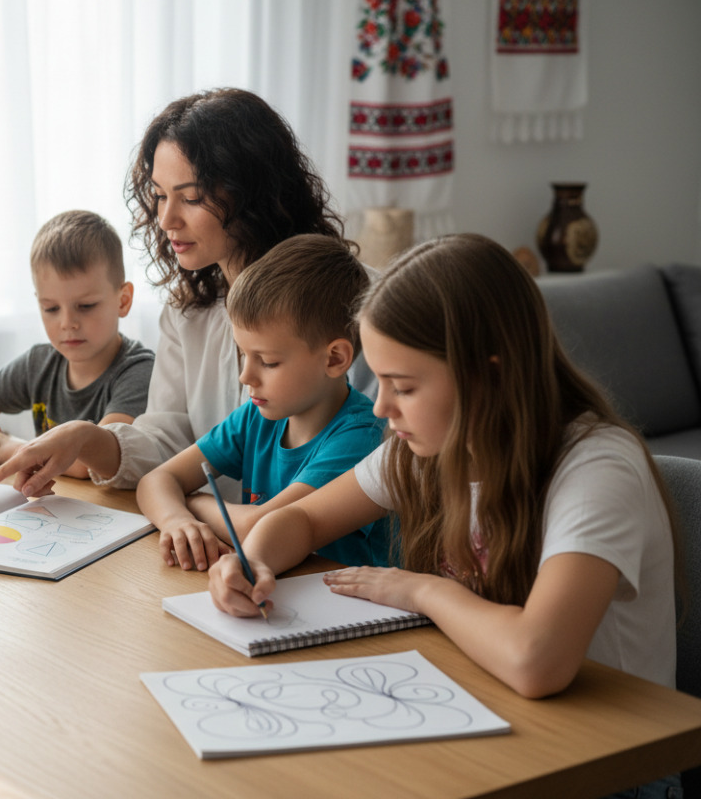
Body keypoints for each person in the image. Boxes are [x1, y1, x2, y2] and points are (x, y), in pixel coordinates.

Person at [209, 234, 683, 712]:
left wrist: (422, 590)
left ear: (486, 375)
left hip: (615, 755)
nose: (380, 406)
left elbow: (537, 661)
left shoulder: (597, 469)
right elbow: (303, 520)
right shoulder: (425, 451)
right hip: (484, 701)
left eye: (404, 387)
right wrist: (251, 561)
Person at [0, 88, 347, 498]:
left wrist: (199, 513)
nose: (166, 219)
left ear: (253, 194)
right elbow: (166, 440)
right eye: (158, 195)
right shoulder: (187, 312)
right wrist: (85, 437)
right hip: (211, 542)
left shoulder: (343, 302)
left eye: (190, 198)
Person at [137, 234, 388, 572]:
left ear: (334, 359)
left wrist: (194, 500)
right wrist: (176, 519)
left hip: (347, 609)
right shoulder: (257, 416)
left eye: (267, 361)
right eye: (244, 355)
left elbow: (256, 526)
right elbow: (155, 481)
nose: (246, 376)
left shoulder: (361, 436)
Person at [0, 210, 154, 478]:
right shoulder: (39, 363)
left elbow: (89, 466)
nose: (67, 322)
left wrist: (6, 450)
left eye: (85, 306)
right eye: (51, 308)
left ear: (123, 300)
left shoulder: (139, 372)